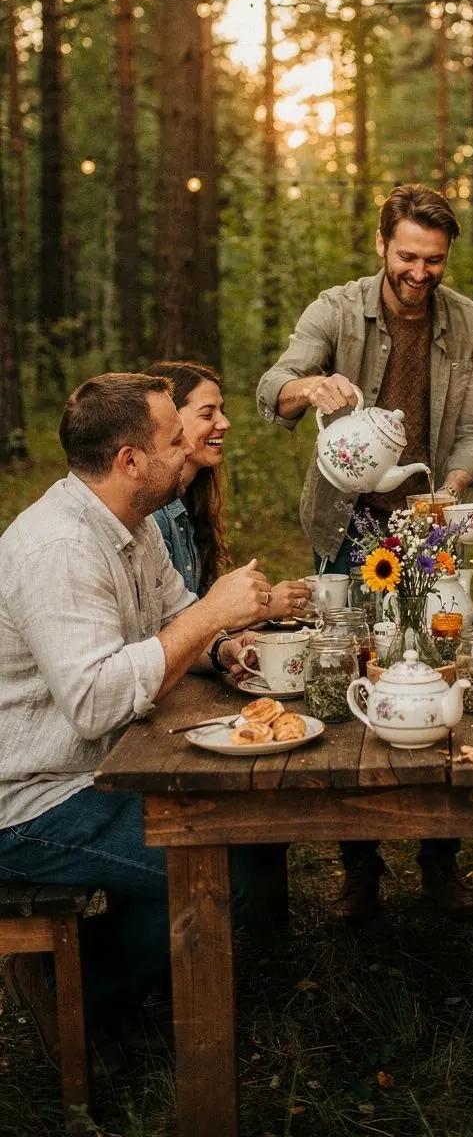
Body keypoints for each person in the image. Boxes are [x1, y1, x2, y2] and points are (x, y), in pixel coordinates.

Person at [0, 373, 276, 1067]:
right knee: (225, 874)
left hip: (93, 769)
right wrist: (212, 614)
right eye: (174, 438)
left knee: (254, 832)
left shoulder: (131, 524)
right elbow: (95, 700)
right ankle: (80, 997)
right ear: (129, 461)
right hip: (32, 800)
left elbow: (172, 614)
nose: (191, 448)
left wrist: (222, 646)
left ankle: (112, 988)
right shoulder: (59, 549)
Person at [257, 183, 473, 920]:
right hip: (344, 524)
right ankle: (357, 864)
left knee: (435, 670)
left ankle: (440, 858)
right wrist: (310, 387)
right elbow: (272, 388)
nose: (420, 274)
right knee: (348, 670)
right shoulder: (336, 309)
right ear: (381, 244)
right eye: (407, 257)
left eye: (434, 261)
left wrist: (449, 488)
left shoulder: (471, 324)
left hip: (428, 524)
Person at [146, 360, 311, 632]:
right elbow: (169, 625)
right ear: (169, 420)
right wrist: (265, 605)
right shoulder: (152, 513)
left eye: (222, 411)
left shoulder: (191, 499)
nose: (224, 423)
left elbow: (200, 605)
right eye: (207, 414)